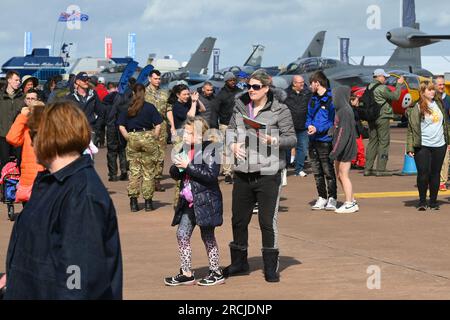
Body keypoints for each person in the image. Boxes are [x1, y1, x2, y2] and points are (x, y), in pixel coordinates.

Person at [2, 101, 122, 299]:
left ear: (50, 138)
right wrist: (14, 278)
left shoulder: (81, 194)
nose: (31, 143)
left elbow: (77, 277)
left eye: (33, 135)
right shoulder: (50, 183)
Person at [224, 71, 296, 282]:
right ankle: (239, 262)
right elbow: (229, 131)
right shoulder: (239, 108)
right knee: (238, 220)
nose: (251, 90)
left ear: (266, 88)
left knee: (267, 221)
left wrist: (274, 141)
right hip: (242, 173)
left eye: (256, 86)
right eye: (249, 86)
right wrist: (233, 144)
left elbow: (291, 138)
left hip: (268, 173)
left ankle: (270, 267)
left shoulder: (280, 110)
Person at [165, 116, 224, 286]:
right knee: (182, 234)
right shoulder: (184, 148)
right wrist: (176, 168)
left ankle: (215, 272)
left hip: (206, 200)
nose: (184, 136)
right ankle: (186, 273)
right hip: (188, 201)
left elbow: (211, 175)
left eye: (189, 133)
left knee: (207, 235)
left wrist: (188, 165)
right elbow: (178, 174)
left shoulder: (211, 149)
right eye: (185, 132)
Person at [118, 84, 163, 212]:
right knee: (149, 171)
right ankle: (148, 202)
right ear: (144, 93)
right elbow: (158, 124)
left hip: (133, 137)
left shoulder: (127, 107)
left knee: (134, 171)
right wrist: (154, 136)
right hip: (148, 136)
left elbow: (121, 125)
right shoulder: (150, 107)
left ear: (133, 93)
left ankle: (133, 202)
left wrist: (128, 137)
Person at [406, 81, 450, 211]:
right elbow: (411, 129)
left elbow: (446, 124)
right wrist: (409, 147)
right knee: (423, 173)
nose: (432, 92)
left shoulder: (439, 104)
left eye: (433, 89)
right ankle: (422, 201)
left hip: (440, 144)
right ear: (423, 92)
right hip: (422, 145)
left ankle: (433, 201)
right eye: (429, 90)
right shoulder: (416, 107)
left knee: (435, 174)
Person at [5, 90, 45, 203]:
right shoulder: (27, 129)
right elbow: (12, 138)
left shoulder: (49, 128)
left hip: (44, 175)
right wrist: (22, 117)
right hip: (30, 175)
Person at [306, 71, 337, 211]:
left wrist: (317, 128)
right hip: (312, 139)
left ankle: (332, 197)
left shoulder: (331, 99)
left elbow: (332, 121)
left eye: (311, 83)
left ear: (317, 83)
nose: (309, 86)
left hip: (325, 139)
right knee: (316, 171)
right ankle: (322, 197)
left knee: (328, 170)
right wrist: (309, 126)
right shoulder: (312, 99)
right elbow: (308, 116)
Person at [364, 69, 404, 177]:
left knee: (372, 142)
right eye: (384, 77)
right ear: (379, 76)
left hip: (371, 118)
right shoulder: (382, 88)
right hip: (382, 117)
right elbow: (395, 96)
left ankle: (368, 168)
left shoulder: (368, 87)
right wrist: (399, 85)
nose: (385, 79)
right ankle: (381, 169)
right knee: (384, 142)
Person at [145, 70, 176, 192]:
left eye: (159, 79)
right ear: (149, 79)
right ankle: (148, 180)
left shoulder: (165, 93)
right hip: (147, 128)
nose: (158, 81)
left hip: (162, 127)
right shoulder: (143, 93)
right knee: (148, 155)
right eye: (155, 78)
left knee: (160, 155)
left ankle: (157, 180)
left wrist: (172, 125)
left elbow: (169, 110)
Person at [329, 86, 359, 214]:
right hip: (340, 147)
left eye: (334, 96)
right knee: (339, 175)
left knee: (343, 175)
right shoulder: (340, 110)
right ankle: (351, 199)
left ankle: (349, 203)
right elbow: (337, 129)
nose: (332, 99)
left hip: (345, 148)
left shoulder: (345, 111)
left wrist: (334, 152)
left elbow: (343, 133)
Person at [215, 71, 242, 184]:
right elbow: (216, 110)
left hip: (239, 124)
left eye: (234, 80)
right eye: (230, 80)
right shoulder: (221, 94)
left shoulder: (240, 92)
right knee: (227, 150)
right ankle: (227, 173)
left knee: (239, 148)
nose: (233, 82)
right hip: (225, 124)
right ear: (226, 81)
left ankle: (238, 171)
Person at [67, 72, 106, 146]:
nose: (86, 82)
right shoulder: (70, 97)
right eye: (84, 80)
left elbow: (101, 112)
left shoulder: (93, 94)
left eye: (87, 80)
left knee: (90, 156)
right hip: (75, 132)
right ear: (77, 82)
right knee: (77, 155)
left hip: (90, 131)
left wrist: (96, 128)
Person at [284, 75, 312, 177]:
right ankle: (284, 168)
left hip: (303, 125)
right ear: (294, 83)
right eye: (300, 82)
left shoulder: (307, 93)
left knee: (303, 148)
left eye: (303, 82)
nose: (302, 84)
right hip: (289, 126)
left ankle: (299, 169)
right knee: (287, 148)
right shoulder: (285, 94)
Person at [104, 82, 128, 182]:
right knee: (122, 149)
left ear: (107, 89)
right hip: (122, 126)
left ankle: (113, 174)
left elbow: (103, 113)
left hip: (110, 127)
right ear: (117, 88)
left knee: (111, 151)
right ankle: (124, 172)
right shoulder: (123, 98)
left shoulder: (105, 99)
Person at [0, 70, 23, 168]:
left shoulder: (22, 97)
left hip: (18, 136)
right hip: (3, 136)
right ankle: (4, 183)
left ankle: (17, 183)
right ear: (9, 80)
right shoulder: (1, 97)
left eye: (19, 80)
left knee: (19, 162)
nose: (18, 82)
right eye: (16, 80)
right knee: (5, 163)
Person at [435, 76, 450, 191]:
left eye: (443, 84)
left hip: (446, 132)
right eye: (439, 84)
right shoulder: (430, 99)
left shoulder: (448, 99)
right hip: (433, 133)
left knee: (446, 158)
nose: (442, 86)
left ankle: (442, 181)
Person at [350, 93, 367, 170]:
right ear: (351, 101)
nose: (358, 103)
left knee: (353, 148)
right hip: (355, 131)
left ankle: (353, 161)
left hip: (353, 131)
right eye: (357, 101)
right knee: (360, 148)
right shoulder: (353, 110)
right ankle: (361, 163)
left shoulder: (350, 109)